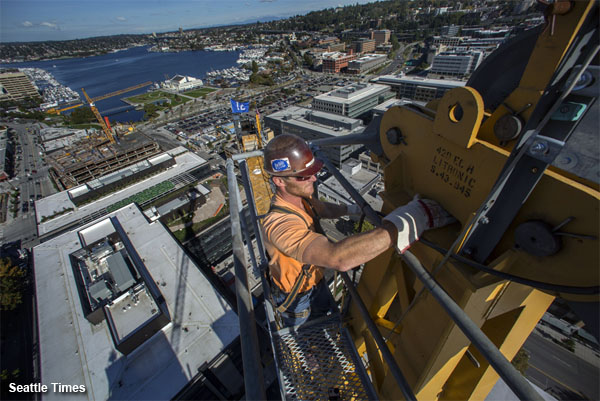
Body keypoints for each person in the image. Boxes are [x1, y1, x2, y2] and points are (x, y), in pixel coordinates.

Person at [261, 134, 455, 327]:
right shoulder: (279, 224)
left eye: (313, 171)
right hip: (296, 298)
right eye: (304, 176)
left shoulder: (302, 199)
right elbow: (337, 258)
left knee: (326, 321)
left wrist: (353, 210)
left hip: (315, 282)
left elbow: (325, 209)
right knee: (303, 336)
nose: (314, 177)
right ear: (280, 181)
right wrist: (410, 221)